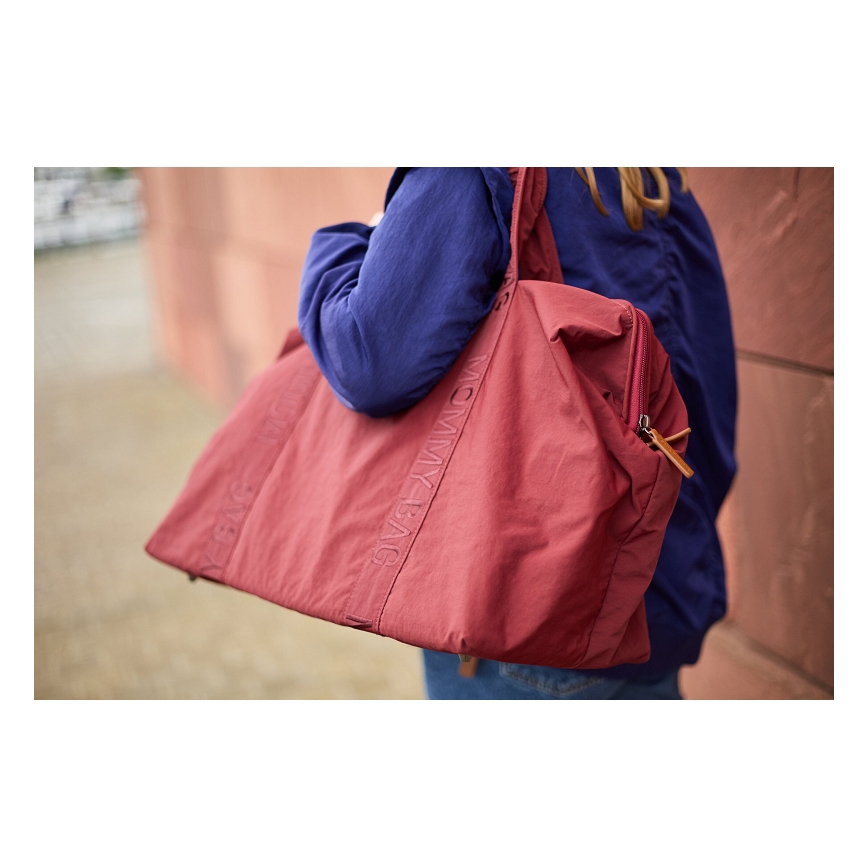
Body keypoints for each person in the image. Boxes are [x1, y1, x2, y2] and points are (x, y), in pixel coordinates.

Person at [298, 168, 737, 700]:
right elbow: (706, 391)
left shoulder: (466, 172)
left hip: (530, 614)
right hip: (658, 585)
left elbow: (369, 361)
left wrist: (351, 244)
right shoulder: (652, 177)